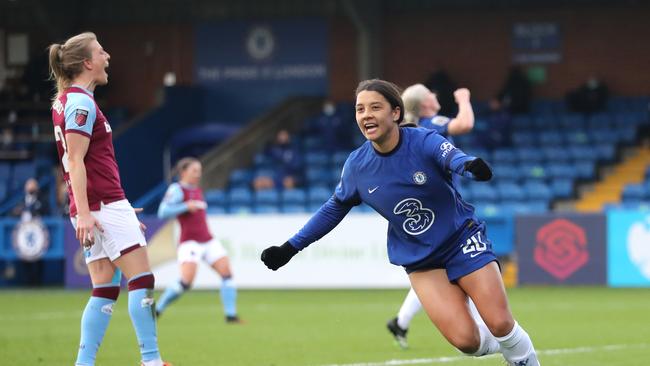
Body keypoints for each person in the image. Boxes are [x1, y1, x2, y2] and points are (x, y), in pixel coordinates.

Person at [261, 79, 540, 366]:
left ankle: (517, 348)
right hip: (421, 258)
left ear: (396, 113)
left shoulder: (423, 139)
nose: (366, 114)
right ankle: (513, 345)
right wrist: (289, 248)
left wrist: (469, 165)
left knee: (500, 322)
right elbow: (333, 210)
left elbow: (453, 157)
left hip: (461, 239)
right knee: (466, 342)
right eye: (360, 109)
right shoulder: (357, 166)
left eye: (374, 107)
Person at [49, 32, 169, 366]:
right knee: (142, 279)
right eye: (101, 52)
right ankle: (152, 360)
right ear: (87, 63)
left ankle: (84, 364)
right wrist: (93, 212)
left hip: (95, 205)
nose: (108, 57)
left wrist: (94, 209)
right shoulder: (81, 104)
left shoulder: (65, 101)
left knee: (104, 287)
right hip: (100, 206)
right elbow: (74, 161)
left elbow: (83, 162)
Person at [388, 83, 476, 348]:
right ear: (423, 103)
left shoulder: (411, 131)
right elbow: (464, 124)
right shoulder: (430, 124)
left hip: (429, 207)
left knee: (433, 271)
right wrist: (464, 99)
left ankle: (400, 322)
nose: (436, 95)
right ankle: (486, 329)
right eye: (431, 93)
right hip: (444, 209)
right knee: (463, 266)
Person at [155, 157, 241, 323]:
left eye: (199, 171)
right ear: (183, 172)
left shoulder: (197, 190)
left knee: (227, 273)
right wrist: (185, 206)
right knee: (186, 281)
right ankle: (158, 310)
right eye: (194, 171)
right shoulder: (177, 189)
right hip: (190, 242)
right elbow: (162, 212)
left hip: (208, 240)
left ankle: (231, 316)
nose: (198, 174)